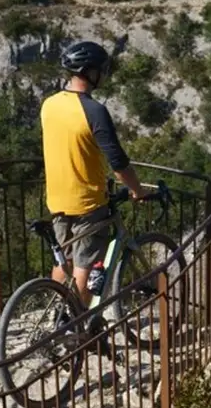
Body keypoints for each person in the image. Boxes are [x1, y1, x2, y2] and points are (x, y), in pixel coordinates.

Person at [42, 40, 153, 305]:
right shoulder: (94, 111)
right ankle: (77, 326)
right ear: (91, 72)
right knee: (86, 265)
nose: (103, 75)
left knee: (64, 258)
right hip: (87, 202)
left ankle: (56, 313)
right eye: (102, 70)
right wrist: (138, 191)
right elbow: (118, 162)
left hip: (57, 199)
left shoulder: (49, 104)